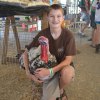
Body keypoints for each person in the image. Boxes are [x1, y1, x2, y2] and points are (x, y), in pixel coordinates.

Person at [23, 4, 76, 100]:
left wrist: (49, 71)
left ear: (63, 18)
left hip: (59, 68)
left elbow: (68, 61)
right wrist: (28, 72)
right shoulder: (42, 34)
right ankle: (53, 89)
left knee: (68, 73)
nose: (55, 19)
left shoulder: (68, 36)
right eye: (52, 16)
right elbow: (25, 52)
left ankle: (60, 89)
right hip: (47, 69)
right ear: (47, 17)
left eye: (58, 16)